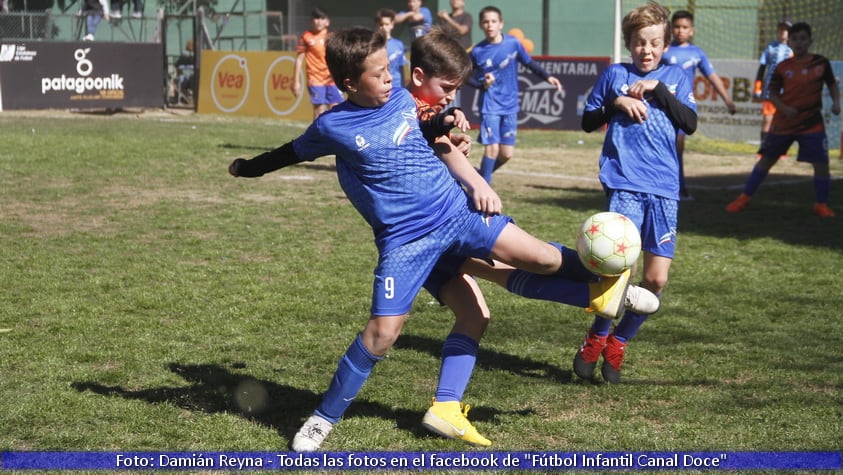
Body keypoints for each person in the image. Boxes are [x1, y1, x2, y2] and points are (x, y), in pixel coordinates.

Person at [228, 27, 660, 451]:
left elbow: (432, 124)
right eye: (378, 74)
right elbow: (288, 152)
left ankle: (609, 291)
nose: (388, 79)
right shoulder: (333, 128)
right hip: (407, 242)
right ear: (348, 83)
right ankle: (323, 419)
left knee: (542, 259)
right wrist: (248, 168)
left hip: (457, 215)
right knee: (382, 334)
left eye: (389, 70)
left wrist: (452, 130)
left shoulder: (401, 99)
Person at [576, 2, 697, 384]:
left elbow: (689, 123)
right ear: (629, 43)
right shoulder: (614, 74)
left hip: (664, 188)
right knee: (618, 270)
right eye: (640, 43)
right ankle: (596, 336)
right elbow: (587, 121)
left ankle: (621, 339)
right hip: (624, 181)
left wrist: (658, 90)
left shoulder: (676, 77)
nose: (647, 50)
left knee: (656, 280)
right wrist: (616, 102)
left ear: (665, 44)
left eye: (655, 43)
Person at [726, 22, 840, 218]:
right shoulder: (782, 66)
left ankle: (821, 204)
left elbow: (831, 84)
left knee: (821, 163)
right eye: (795, 39)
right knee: (766, 161)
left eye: (803, 38)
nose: (799, 43)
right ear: (789, 42)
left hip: (812, 123)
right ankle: (743, 198)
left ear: (810, 41)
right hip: (784, 123)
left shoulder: (821, 63)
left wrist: (837, 102)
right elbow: (771, 92)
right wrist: (785, 108)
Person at [468, 6, 562, 184]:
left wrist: (547, 77)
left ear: (501, 24)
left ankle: (479, 178)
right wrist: (482, 84)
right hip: (490, 106)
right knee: (492, 150)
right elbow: (465, 75)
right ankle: (482, 196)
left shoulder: (513, 43)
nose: (490, 25)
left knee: (506, 154)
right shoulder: (477, 51)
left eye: (493, 21)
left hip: (510, 105)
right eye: (486, 22)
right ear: (481, 25)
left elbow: (529, 63)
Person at [661, 9, 735, 200]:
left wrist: (727, 99)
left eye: (684, 27)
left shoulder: (697, 53)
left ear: (692, 30)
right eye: (676, 27)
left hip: (683, 105)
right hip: (661, 104)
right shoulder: (664, 49)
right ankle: (667, 185)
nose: (680, 31)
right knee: (662, 144)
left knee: (678, 145)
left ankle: (679, 186)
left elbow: (712, 77)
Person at [293, 7, 343, 120]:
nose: (319, 21)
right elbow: (299, 59)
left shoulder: (332, 37)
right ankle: (317, 136)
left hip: (331, 80)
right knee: (319, 110)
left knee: (336, 108)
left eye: (322, 18)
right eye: (316, 18)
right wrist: (296, 82)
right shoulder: (306, 36)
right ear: (312, 21)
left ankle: (332, 136)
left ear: (327, 21)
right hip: (315, 79)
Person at [754, 19, 793, 159]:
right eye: (781, 29)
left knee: (783, 121)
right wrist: (757, 88)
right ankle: (763, 149)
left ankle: (782, 150)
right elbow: (762, 69)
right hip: (771, 91)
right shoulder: (770, 48)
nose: (783, 33)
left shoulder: (793, 50)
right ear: (777, 31)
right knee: (767, 120)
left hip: (787, 92)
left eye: (786, 30)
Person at [375, 8, 407, 88]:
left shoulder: (399, 44)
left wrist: (403, 87)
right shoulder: (373, 44)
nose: (383, 27)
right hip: (380, 87)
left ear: (392, 24)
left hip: (397, 86)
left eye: (386, 24)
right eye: (381, 24)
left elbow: (401, 68)